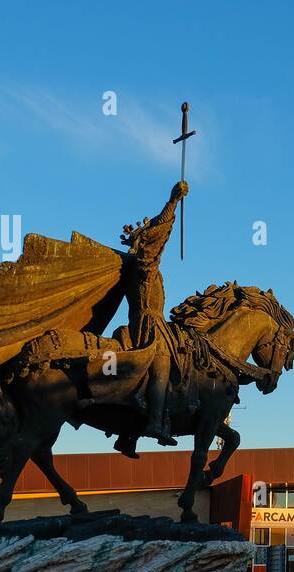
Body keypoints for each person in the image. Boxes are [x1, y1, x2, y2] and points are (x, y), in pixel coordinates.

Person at [111, 180, 189, 458]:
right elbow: (155, 242)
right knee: (162, 364)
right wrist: (172, 203)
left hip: (148, 320)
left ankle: (130, 432)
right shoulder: (142, 266)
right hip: (147, 323)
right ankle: (155, 421)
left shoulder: (138, 266)